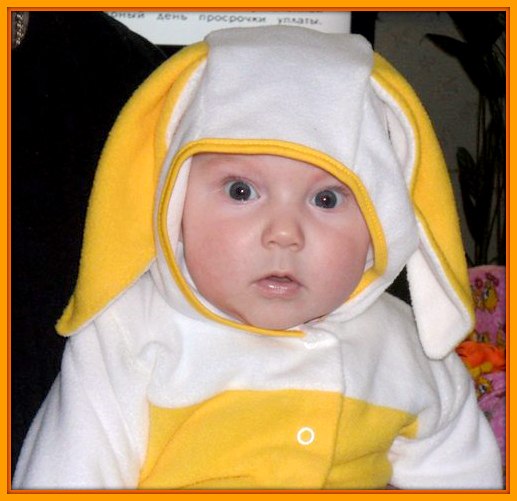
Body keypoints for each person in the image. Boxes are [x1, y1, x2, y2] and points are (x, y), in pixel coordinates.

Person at [12, 26, 502, 490]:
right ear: (174, 201)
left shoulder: (405, 346)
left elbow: (465, 474)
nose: (284, 233)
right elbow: (64, 475)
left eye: (326, 199)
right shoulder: (127, 334)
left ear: (384, 223)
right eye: (241, 191)